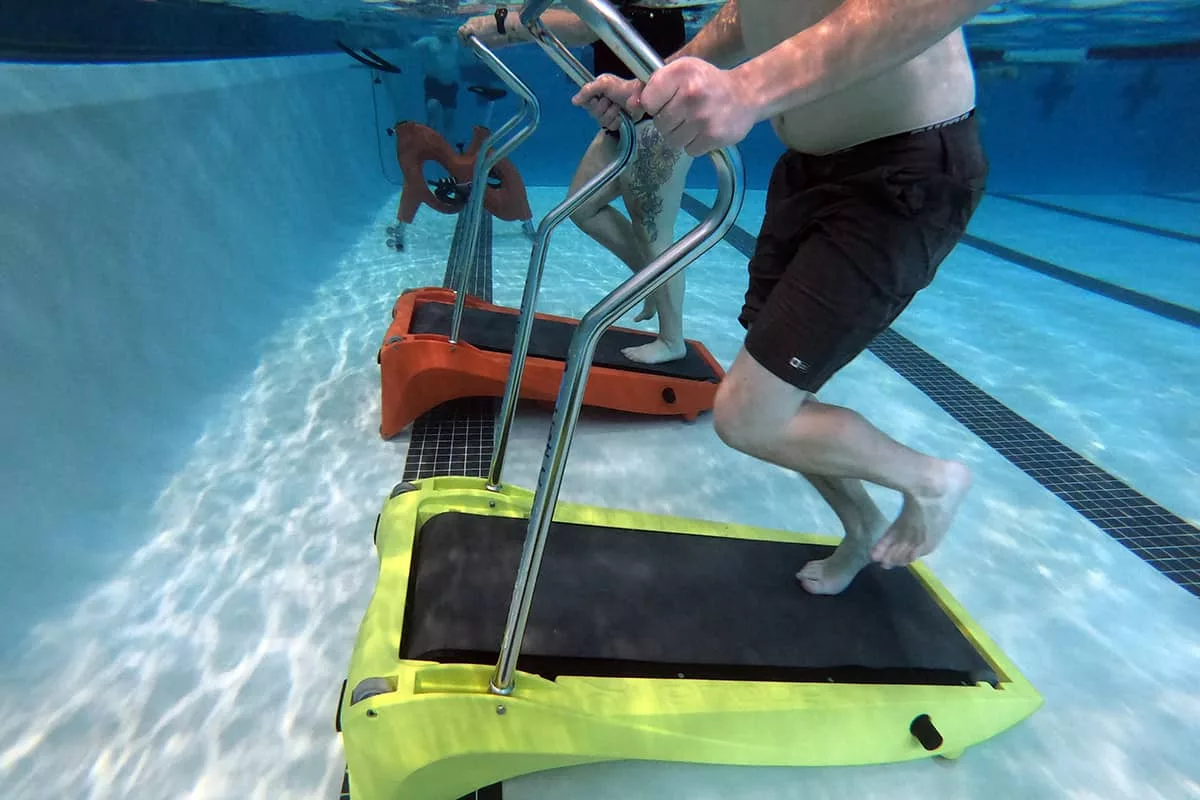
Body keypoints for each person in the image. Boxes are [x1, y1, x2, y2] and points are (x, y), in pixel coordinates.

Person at [573, 0, 991, 593]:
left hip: (903, 172)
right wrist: (653, 85)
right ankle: (863, 524)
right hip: (812, 171)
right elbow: (752, 14)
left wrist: (747, 88)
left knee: (749, 416)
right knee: (783, 397)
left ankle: (930, 480)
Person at [458, 4, 700, 365]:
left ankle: (671, 339)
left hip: (658, 126)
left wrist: (500, 24)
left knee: (653, 235)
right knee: (583, 208)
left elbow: (581, 23)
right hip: (624, 122)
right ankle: (649, 282)